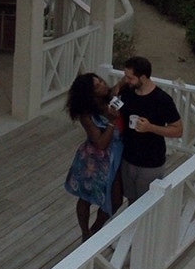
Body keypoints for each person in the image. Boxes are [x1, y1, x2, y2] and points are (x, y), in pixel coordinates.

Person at [63, 72, 124, 240]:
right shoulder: (87, 115)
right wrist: (112, 122)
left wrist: (120, 85)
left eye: (102, 81)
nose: (103, 85)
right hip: (93, 161)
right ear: (89, 93)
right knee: (86, 198)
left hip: (115, 158)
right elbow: (100, 144)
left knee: (116, 199)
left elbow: (125, 80)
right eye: (97, 86)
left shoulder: (110, 99)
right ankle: (85, 233)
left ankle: (95, 229)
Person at [116, 55, 183, 204]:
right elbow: (116, 105)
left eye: (130, 78)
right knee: (131, 200)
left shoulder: (162, 100)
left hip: (150, 162)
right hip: (127, 158)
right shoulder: (127, 92)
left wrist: (150, 127)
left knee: (146, 204)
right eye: (125, 77)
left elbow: (178, 130)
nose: (126, 81)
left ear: (144, 77)